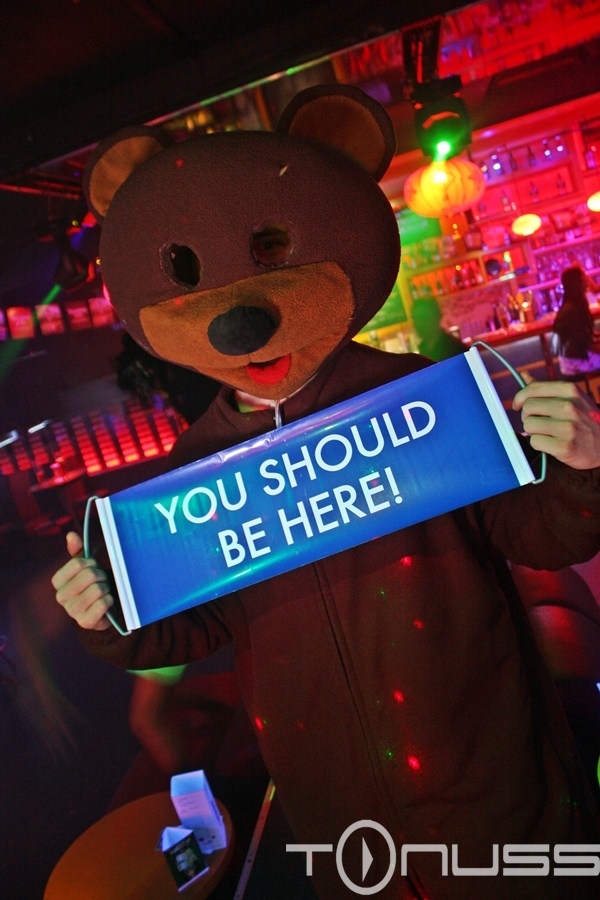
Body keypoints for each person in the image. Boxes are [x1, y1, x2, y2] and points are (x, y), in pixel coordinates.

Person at [552, 265, 600, 376]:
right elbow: (584, 342)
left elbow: (584, 337)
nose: (586, 281)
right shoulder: (573, 309)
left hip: (573, 358)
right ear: (577, 282)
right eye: (583, 278)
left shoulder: (573, 304)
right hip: (575, 361)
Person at [410, 297, 466, 362]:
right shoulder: (424, 349)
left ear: (436, 317)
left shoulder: (455, 349)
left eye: (422, 318)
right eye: (415, 318)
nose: (417, 323)